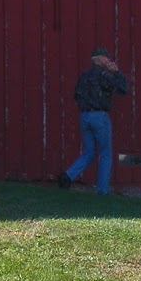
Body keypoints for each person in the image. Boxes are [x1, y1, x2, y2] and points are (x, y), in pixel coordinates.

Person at [59, 47, 130, 194]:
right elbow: (123, 88)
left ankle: (67, 176)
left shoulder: (84, 75)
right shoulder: (104, 75)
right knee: (105, 154)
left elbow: (76, 95)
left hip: (85, 116)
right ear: (99, 59)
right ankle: (102, 190)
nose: (108, 60)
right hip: (100, 116)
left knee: (89, 152)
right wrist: (116, 71)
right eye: (106, 58)